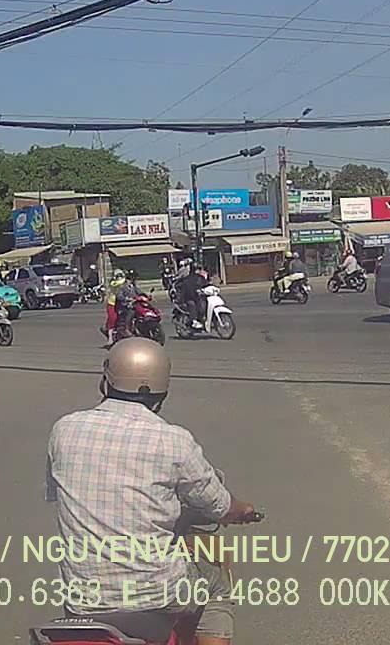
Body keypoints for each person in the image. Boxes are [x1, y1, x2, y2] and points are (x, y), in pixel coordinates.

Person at [46, 338, 257, 645]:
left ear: (105, 381)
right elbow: (220, 506)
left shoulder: (64, 430)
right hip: (158, 595)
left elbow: (57, 493)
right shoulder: (173, 441)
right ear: (162, 392)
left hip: (82, 600)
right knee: (216, 584)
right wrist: (244, 511)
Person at [102, 269, 126, 342]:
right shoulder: (113, 283)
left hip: (122, 302)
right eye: (118, 276)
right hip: (112, 303)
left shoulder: (125, 283)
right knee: (112, 319)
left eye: (120, 276)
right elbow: (118, 283)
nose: (119, 277)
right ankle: (110, 338)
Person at [116, 270, 141, 338]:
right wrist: (127, 298)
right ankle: (126, 328)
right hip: (124, 306)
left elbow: (140, 292)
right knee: (131, 312)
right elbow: (119, 296)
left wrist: (147, 296)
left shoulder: (133, 286)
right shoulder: (122, 287)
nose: (133, 280)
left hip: (133, 304)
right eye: (131, 279)